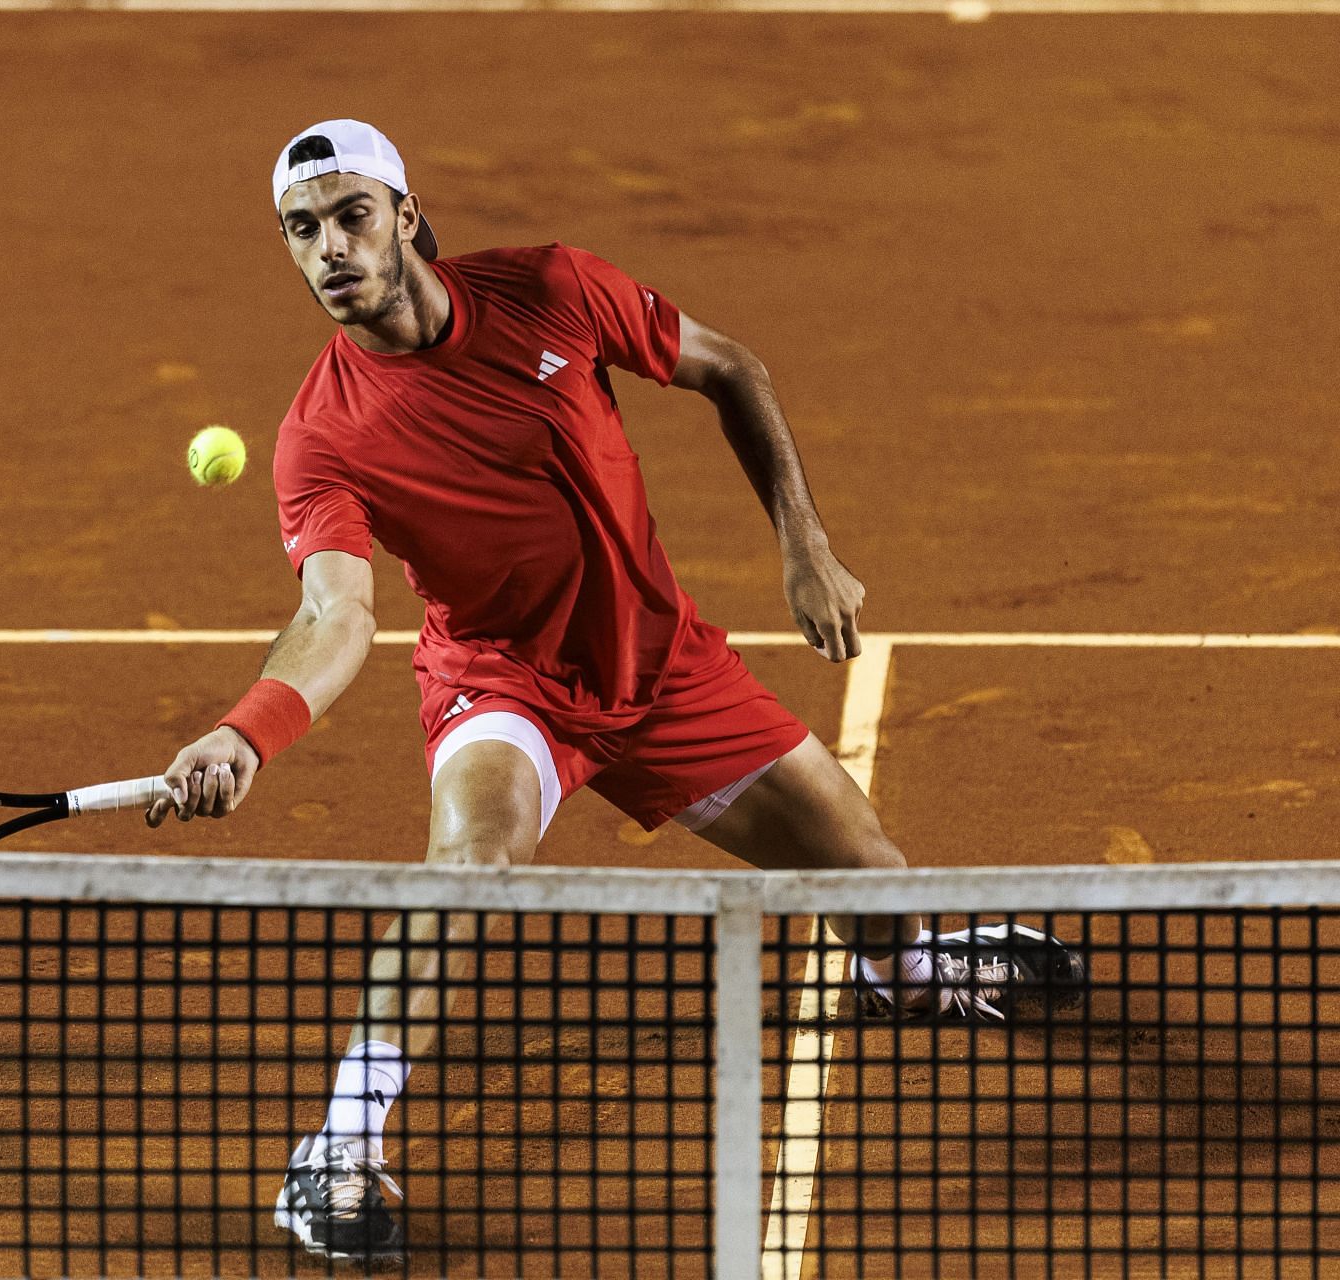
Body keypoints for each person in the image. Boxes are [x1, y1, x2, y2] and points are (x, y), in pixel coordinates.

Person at [145, 119, 1083, 1264]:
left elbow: (733, 367)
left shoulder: (553, 289)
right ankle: (339, 1144)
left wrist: (804, 544)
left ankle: (908, 974)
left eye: (350, 215)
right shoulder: (320, 435)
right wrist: (249, 733)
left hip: (663, 664)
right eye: (303, 230)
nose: (330, 247)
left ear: (403, 211)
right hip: (504, 680)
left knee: (871, 872)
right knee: (470, 864)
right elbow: (336, 614)